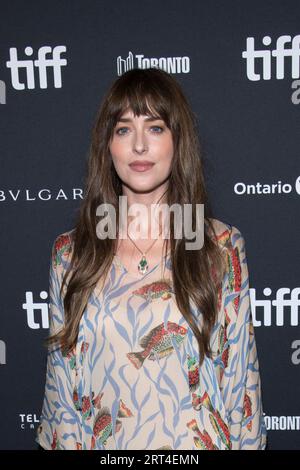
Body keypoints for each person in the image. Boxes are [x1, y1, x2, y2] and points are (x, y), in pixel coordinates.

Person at [35, 67, 267, 450]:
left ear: (179, 142)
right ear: (107, 146)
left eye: (156, 128)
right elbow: (63, 395)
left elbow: (242, 387)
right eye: (124, 129)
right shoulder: (72, 254)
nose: (139, 146)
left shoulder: (220, 246)